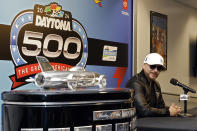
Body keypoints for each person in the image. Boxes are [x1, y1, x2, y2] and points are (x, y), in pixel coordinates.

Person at [126, 53, 181, 118]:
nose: (156, 70)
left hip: (151, 123)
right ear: (144, 66)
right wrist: (168, 112)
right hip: (137, 125)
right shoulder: (136, 83)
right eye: (152, 66)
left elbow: (160, 107)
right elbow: (144, 110)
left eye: (159, 68)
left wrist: (172, 109)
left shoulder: (156, 84)